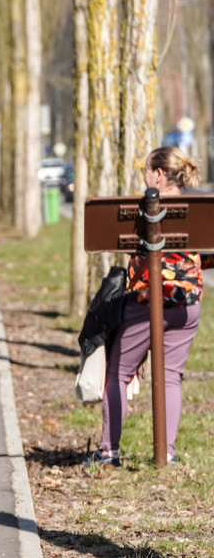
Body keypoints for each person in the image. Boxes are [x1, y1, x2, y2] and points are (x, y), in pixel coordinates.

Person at [85, 146, 212, 468]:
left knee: (119, 373)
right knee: (171, 376)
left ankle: (109, 452)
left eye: (146, 169)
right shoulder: (199, 208)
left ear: (158, 174)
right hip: (187, 303)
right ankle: (166, 452)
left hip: (146, 301)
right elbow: (205, 255)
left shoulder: (140, 208)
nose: (143, 174)